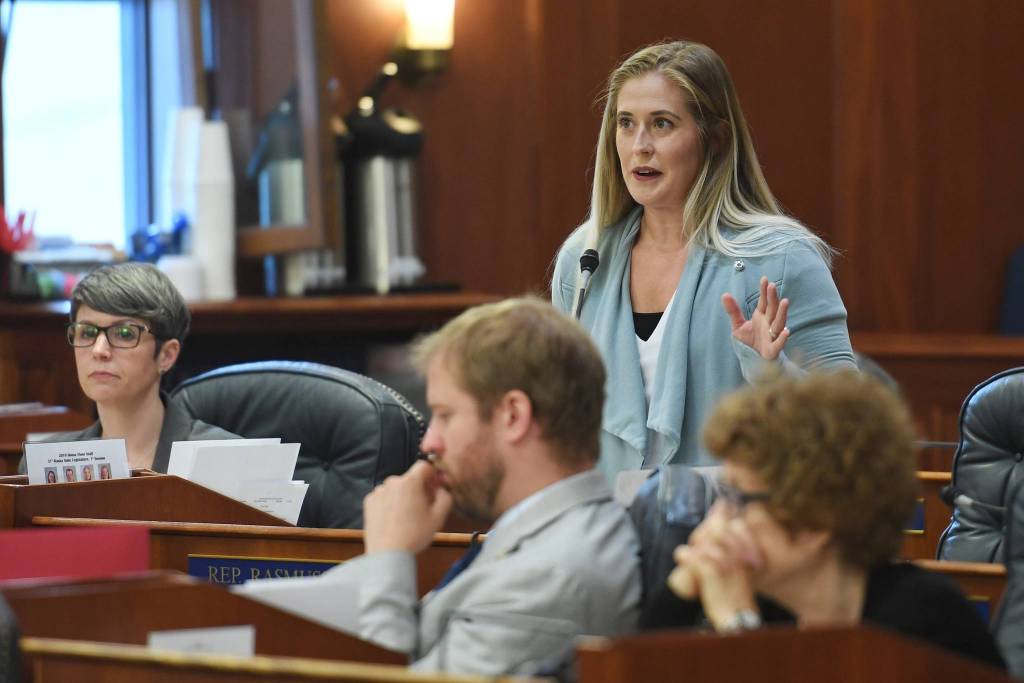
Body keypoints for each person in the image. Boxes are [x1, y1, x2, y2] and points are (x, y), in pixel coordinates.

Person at [551, 41, 856, 481]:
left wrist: (772, 373)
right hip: (612, 535)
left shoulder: (780, 258)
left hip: (733, 535)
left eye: (662, 124)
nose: (639, 146)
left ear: (715, 137)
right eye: (626, 124)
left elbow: (851, 432)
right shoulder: (585, 259)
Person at [322, 298, 641, 674]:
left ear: (513, 416)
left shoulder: (546, 578)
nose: (429, 444)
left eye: (445, 415)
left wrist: (389, 555)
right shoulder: (545, 533)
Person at [643, 370, 1005, 669]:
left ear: (817, 520)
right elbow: (635, 669)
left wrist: (741, 630)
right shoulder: (773, 604)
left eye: (739, 499)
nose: (719, 517)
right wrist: (684, 584)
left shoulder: (922, 621)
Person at [41, 263, 237, 472]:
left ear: (166, 355)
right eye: (87, 332)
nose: (99, 350)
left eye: (125, 333)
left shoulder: (227, 459)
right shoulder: (48, 465)